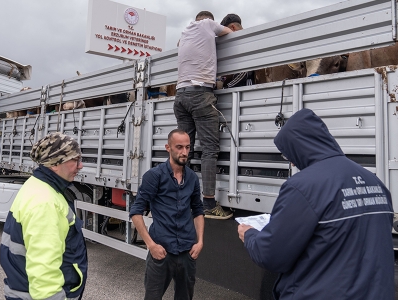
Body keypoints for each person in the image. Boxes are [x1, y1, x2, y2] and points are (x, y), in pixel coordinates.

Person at [238, 108, 394, 299]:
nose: (293, 164)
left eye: (289, 155)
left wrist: (250, 235)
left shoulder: (302, 187)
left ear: (300, 148)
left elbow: (272, 255)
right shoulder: (375, 182)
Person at [0, 132, 88, 300]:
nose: (81, 165)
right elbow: (44, 272)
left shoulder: (37, 185)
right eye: (75, 159)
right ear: (55, 164)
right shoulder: (45, 203)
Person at [130, 129, 205, 300]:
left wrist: (200, 242)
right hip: (161, 252)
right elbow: (136, 212)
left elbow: (198, 210)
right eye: (179, 147)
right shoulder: (154, 176)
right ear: (168, 148)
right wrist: (151, 245)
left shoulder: (192, 178)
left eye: (187, 147)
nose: (184, 152)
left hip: (187, 252)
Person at [174, 11, 233, 219]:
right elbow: (230, 31)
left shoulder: (184, 32)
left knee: (183, 150)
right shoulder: (208, 24)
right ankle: (208, 203)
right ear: (208, 19)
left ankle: (179, 198)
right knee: (209, 149)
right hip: (200, 95)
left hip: (180, 96)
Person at [219, 14, 255, 88]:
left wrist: (226, 88)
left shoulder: (246, 43)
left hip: (245, 91)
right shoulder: (245, 41)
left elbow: (244, 72)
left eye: (226, 33)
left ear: (233, 27)